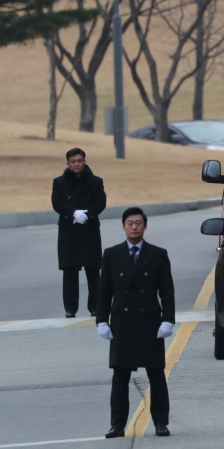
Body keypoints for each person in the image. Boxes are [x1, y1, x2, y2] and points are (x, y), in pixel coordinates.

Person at [96, 207, 175, 438]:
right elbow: (104, 291)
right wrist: (101, 320)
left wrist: (168, 320)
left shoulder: (158, 254)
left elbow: (167, 291)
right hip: (122, 322)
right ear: (123, 226)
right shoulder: (112, 254)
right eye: (130, 223)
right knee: (120, 376)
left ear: (145, 226)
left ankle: (161, 422)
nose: (134, 227)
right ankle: (117, 424)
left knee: (156, 374)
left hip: (149, 322)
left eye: (138, 223)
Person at [51, 148, 106, 318]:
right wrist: (73, 213)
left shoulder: (96, 181)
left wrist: (87, 214)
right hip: (69, 228)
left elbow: (100, 202)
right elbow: (57, 203)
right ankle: (70, 308)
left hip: (89, 228)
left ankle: (95, 306)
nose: (77, 164)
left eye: (80, 161)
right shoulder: (59, 182)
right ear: (68, 163)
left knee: (93, 269)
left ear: (84, 161)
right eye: (73, 161)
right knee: (70, 270)